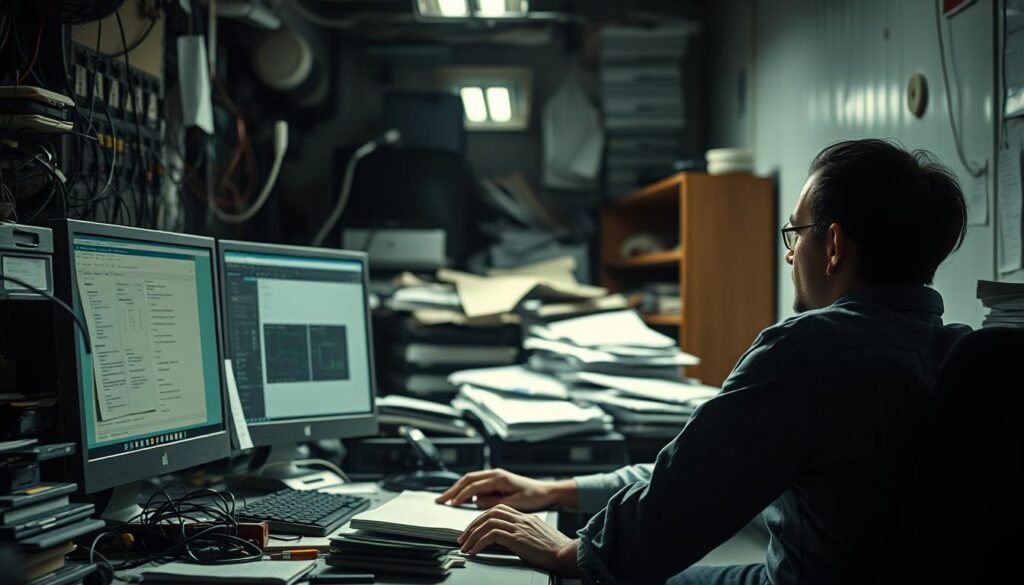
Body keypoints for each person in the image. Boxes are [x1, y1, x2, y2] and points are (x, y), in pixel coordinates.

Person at [435, 139, 971, 584]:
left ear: (832, 245)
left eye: (795, 233)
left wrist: (567, 551)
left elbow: (674, 511)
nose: (789, 254)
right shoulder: (956, 352)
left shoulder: (810, 350)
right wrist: (557, 491)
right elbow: (709, 467)